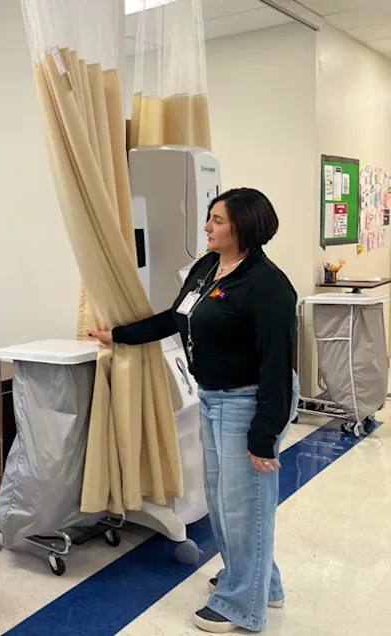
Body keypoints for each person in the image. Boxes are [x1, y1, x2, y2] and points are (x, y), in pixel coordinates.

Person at [90, 187, 298, 634]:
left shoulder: (268, 286)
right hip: (214, 397)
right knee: (225, 502)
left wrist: (262, 438)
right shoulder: (209, 269)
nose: (207, 226)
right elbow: (175, 316)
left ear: (245, 226)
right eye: (210, 217)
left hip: (251, 399)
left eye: (217, 220)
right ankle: (265, 585)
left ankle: (242, 605)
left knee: (245, 505)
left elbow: (278, 369)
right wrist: (120, 335)